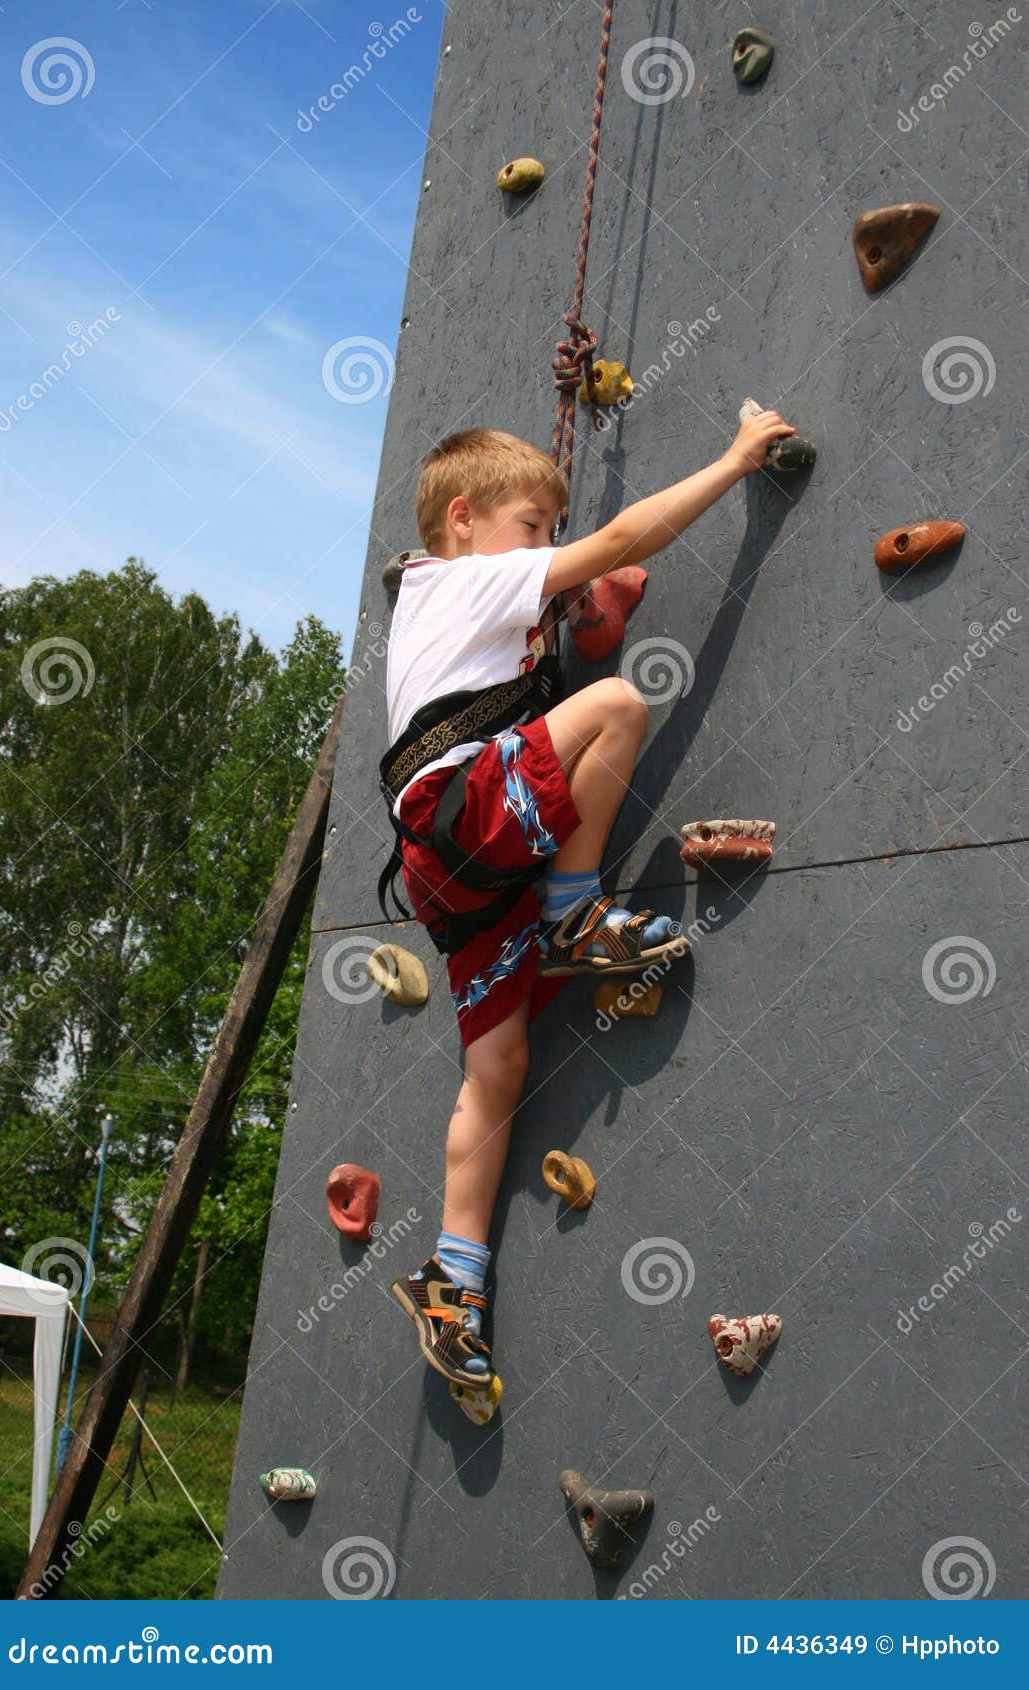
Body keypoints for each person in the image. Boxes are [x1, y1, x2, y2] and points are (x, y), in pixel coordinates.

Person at [383, 410, 794, 1389]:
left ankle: (455, 1284)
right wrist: (734, 460)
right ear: (463, 519)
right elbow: (615, 545)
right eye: (534, 524)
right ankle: (573, 911)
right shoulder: (463, 575)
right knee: (615, 706)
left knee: (495, 1066)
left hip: (437, 862)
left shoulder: (440, 609)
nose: (546, 547)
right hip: (462, 806)